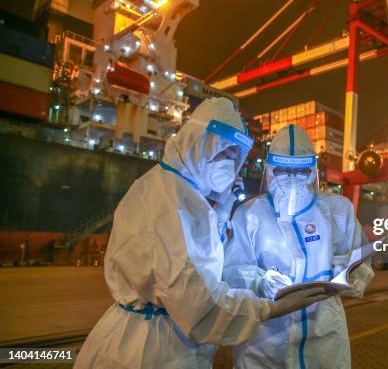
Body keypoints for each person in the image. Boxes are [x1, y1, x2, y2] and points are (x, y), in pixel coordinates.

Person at [75, 98, 329, 368]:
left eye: (235, 155)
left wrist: (221, 211)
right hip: (146, 350)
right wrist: (270, 308)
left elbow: (201, 265)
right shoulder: (169, 200)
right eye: (223, 152)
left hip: (169, 341)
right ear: (196, 144)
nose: (229, 163)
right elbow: (197, 304)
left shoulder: (185, 194)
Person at [223, 124, 375, 368]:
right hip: (265, 344)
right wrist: (261, 281)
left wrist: (344, 271)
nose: (292, 177)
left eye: (301, 170)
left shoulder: (337, 211)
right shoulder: (250, 215)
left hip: (324, 338)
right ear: (271, 169)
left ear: (312, 170)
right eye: (283, 170)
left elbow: (362, 262)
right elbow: (231, 271)